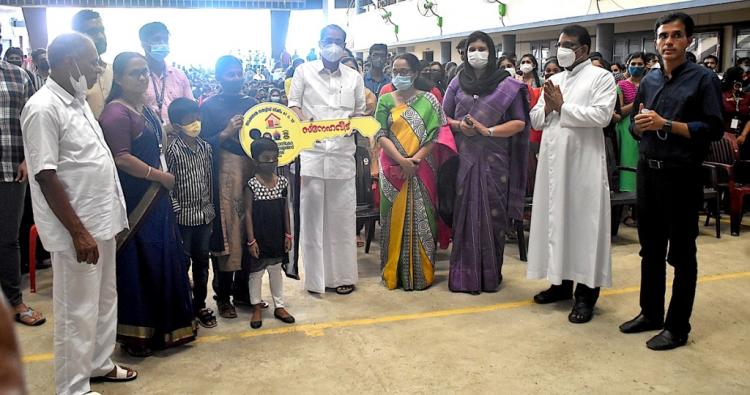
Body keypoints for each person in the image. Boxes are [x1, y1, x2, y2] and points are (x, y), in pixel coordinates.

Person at [21, 33, 137, 394]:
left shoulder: (79, 101)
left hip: (101, 221)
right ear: (70, 62)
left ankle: (98, 364)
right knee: (77, 311)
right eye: (93, 62)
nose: (98, 68)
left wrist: (115, 218)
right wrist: (79, 232)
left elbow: (95, 161)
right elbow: (45, 175)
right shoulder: (43, 108)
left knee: (104, 299)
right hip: (78, 231)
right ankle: (72, 387)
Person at [619, 12, 724, 350]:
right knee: (649, 249)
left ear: (688, 40)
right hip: (649, 172)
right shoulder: (649, 80)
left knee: (681, 253)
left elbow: (713, 128)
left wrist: (666, 125)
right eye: (663, 36)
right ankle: (650, 313)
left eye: (676, 36)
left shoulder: (703, 79)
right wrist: (639, 126)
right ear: (656, 41)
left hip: (681, 175)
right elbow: (637, 122)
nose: (669, 42)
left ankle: (677, 326)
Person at [99, 51, 197, 357]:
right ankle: (137, 335)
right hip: (137, 199)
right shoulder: (116, 113)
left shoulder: (143, 107)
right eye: (134, 73)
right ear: (119, 78)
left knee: (163, 254)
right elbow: (122, 157)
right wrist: (160, 176)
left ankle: (166, 328)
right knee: (140, 259)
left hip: (157, 195)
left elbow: (155, 143)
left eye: (144, 72)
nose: (142, 77)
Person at [527, 25, 616, 323]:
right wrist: (550, 108)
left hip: (583, 165)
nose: (561, 48)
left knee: (584, 226)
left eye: (568, 44)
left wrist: (563, 107)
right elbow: (536, 120)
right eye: (559, 43)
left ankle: (586, 296)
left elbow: (602, 116)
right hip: (552, 164)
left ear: (584, 49)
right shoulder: (553, 79)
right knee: (555, 221)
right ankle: (560, 284)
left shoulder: (601, 78)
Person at [444, 31, 530, 294]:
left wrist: (488, 131)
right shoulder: (457, 82)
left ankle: (490, 275)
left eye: (483, 48)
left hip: (495, 161)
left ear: (492, 53)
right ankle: (463, 277)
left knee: (493, 217)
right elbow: (441, 116)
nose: (477, 53)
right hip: (465, 159)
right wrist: (460, 125)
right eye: (473, 48)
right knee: (464, 215)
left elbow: (519, 122)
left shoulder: (507, 84)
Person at [288, 24, 366, 295]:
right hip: (312, 154)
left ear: (345, 45)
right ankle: (316, 280)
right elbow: (294, 106)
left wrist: (352, 124)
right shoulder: (303, 71)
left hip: (343, 155)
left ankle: (343, 276)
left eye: (338, 41)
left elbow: (359, 112)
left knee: (343, 219)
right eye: (328, 40)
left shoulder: (354, 77)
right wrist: (308, 124)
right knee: (312, 220)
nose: (333, 45)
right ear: (319, 43)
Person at [375, 53, 455, 291]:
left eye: (405, 71)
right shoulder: (385, 100)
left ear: (416, 73)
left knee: (424, 217)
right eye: (396, 72)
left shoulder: (430, 100)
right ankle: (394, 273)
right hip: (392, 167)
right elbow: (380, 134)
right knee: (391, 218)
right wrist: (402, 160)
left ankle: (421, 275)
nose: (400, 76)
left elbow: (438, 134)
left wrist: (415, 160)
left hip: (423, 167)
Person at [201, 55, 257, 318]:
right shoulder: (209, 106)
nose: (235, 79)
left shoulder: (253, 104)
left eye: (239, 73)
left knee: (250, 231)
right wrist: (225, 132)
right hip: (224, 174)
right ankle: (223, 296)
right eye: (229, 74)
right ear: (219, 77)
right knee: (227, 235)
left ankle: (245, 293)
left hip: (250, 170)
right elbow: (201, 145)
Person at [0, 45, 45, 328]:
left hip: (10, 169)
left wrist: (28, 158)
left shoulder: (19, 76)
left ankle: (14, 301)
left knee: (7, 239)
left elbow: (32, 123)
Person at [166, 98, 217, 329]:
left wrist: (211, 210)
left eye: (198, 119)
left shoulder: (206, 148)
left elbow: (208, 180)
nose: (196, 124)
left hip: (204, 216)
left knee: (202, 263)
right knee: (182, 263)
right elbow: (169, 185)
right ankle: (183, 306)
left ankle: (200, 305)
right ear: (177, 126)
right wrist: (175, 212)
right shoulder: (173, 151)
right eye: (189, 121)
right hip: (183, 219)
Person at [244, 138, 296, 328]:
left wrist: (288, 235)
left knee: (276, 271)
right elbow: (247, 213)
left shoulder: (282, 182)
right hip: (259, 236)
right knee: (256, 273)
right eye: (266, 159)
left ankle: (279, 305)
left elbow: (285, 211)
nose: (271, 163)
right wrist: (251, 240)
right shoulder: (252, 185)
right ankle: (256, 306)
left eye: (275, 158)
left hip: (277, 235)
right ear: (255, 161)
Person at [139, 22, 194, 122]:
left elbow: (191, 109)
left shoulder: (179, 76)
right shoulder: (138, 77)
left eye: (165, 40)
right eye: (157, 39)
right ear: (144, 44)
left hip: (178, 134)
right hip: (152, 134)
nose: (163, 43)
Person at [72, 9, 113, 118]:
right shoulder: (72, 76)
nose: (100, 36)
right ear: (77, 36)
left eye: (102, 30)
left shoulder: (114, 71)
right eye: (92, 32)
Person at [617, 52, 647, 194]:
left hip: (648, 125)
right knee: (629, 161)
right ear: (627, 66)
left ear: (645, 66)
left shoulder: (650, 83)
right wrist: (637, 101)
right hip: (626, 127)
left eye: (640, 64)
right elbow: (620, 111)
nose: (636, 67)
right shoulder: (621, 85)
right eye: (633, 64)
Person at [720, 67, 750, 159]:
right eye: (744, 76)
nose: (747, 78)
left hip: (743, 135)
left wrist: (743, 135)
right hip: (723, 136)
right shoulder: (721, 95)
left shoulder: (747, 97)